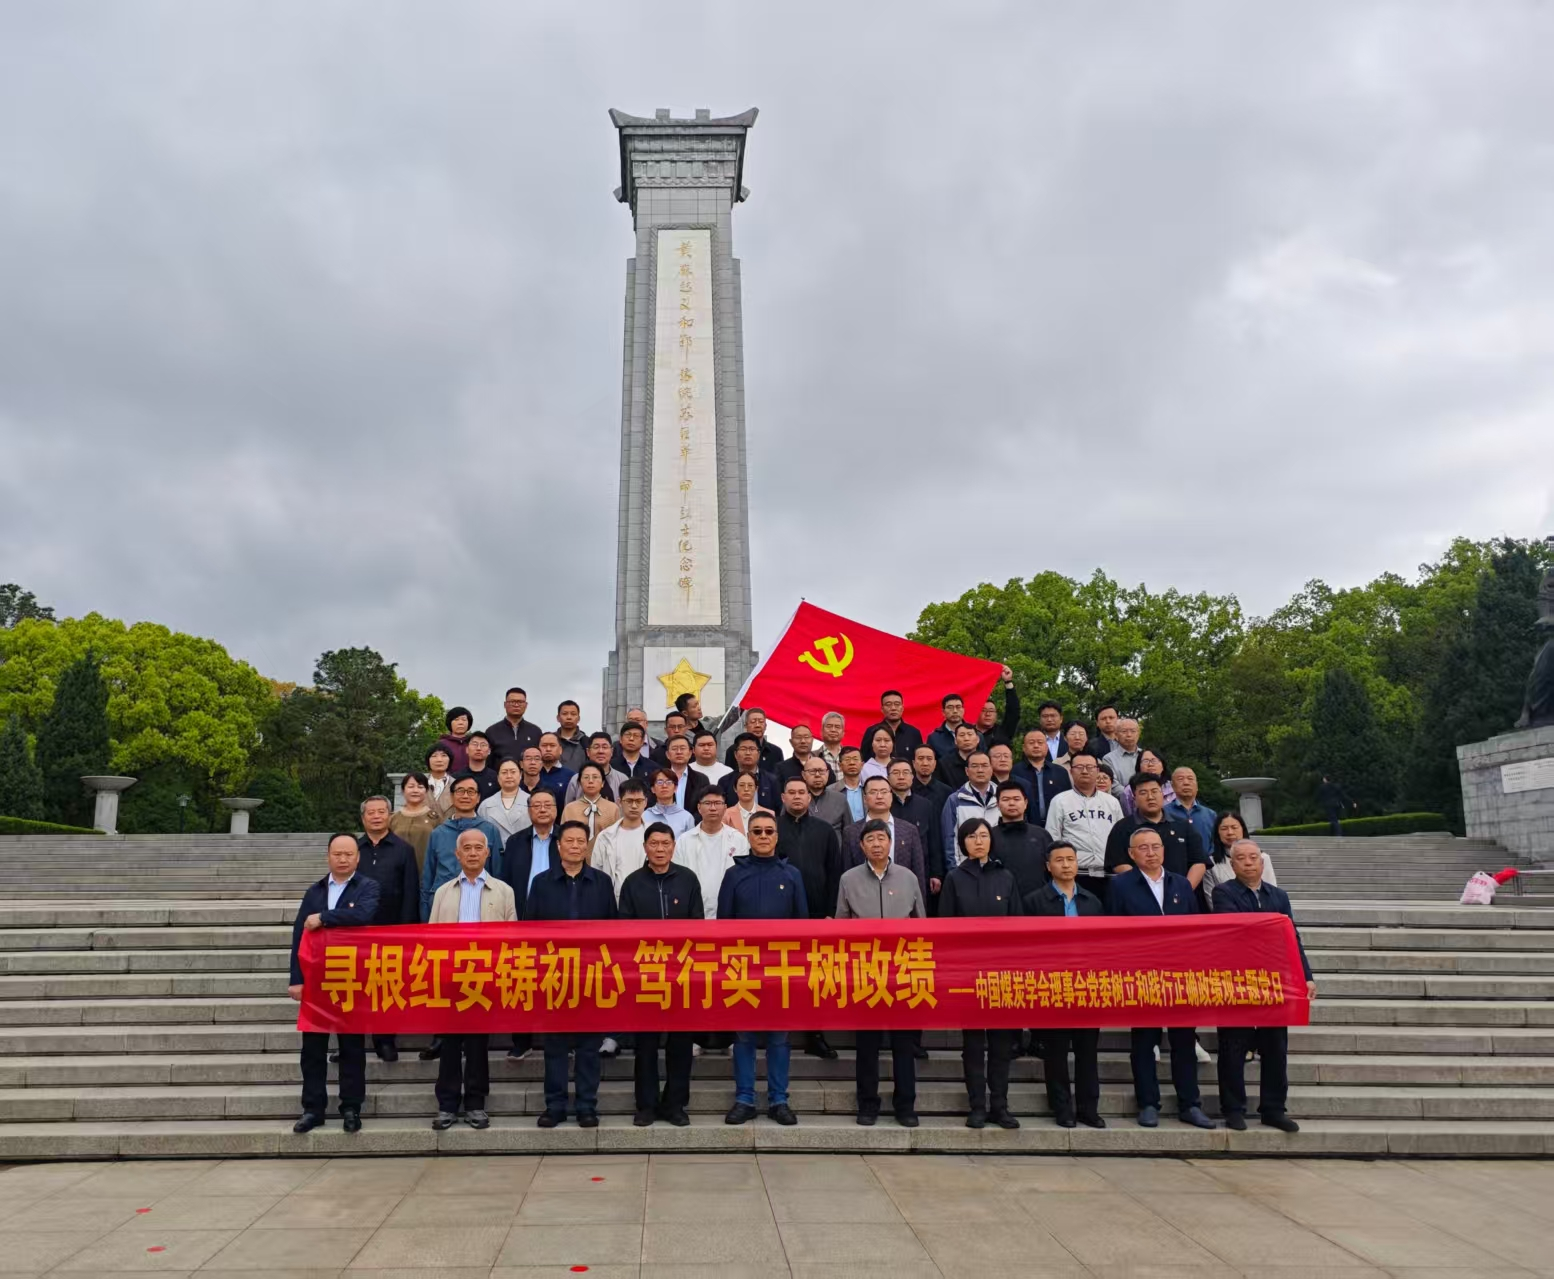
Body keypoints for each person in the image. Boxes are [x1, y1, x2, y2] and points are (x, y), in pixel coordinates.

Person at [1108, 827, 1215, 1130]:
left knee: (1184, 1042)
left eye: (1156, 846)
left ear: (1164, 850)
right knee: (1144, 1042)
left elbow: (1194, 929)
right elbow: (1113, 932)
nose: (1151, 852)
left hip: (1180, 974)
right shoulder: (1120, 886)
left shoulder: (1181, 884)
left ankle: (1190, 1104)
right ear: (1132, 854)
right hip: (1141, 974)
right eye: (1143, 848)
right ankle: (1148, 1103)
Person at [1213, 838, 1312, 1133]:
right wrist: (1268, 928)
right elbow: (1235, 929)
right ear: (1232, 865)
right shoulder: (1223, 892)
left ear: (1262, 861)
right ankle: (1233, 1109)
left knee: (1275, 1047)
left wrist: (1306, 976)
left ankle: (1274, 1109)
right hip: (1236, 979)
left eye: (1253, 857)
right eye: (1241, 858)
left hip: (1273, 980)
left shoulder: (1278, 895)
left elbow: (1291, 937)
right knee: (1233, 1046)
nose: (1248, 862)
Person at [525, 821, 617, 1127]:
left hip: (591, 975)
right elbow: (531, 931)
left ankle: (587, 1105)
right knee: (555, 1046)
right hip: (555, 975)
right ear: (559, 846)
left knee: (589, 1047)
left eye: (581, 841)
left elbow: (613, 930)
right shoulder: (541, 883)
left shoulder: (602, 882)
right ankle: (555, 1106)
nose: (575, 846)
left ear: (587, 846)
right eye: (570, 841)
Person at [719, 811, 808, 1125]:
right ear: (748, 836)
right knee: (744, 1037)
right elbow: (723, 925)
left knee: (778, 1038)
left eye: (769, 831)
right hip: (743, 968)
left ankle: (778, 1099)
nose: (763, 836)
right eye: (757, 831)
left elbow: (802, 925)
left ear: (777, 836)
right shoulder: (734, 875)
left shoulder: (791, 875)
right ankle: (744, 1098)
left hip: (781, 969)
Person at [836, 818, 925, 1127]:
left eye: (881, 838)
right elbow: (841, 926)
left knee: (904, 1045)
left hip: (902, 970)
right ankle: (867, 1104)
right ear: (861, 846)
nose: (876, 844)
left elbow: (921, 924)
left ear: (890, 843)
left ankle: (906, 1106)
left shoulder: (908, 877)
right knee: (867, 1045)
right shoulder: (848, 879)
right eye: (870, 839)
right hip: (866, 971)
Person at [427, 828, 518, 1130]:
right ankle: (447, 1105)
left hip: (485, 976)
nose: (473, 852)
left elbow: (511, 938)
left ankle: (476, 1104)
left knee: (478, 1044)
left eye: (479, 847)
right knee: (450, 1043)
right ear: (457, 854)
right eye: (467, 848)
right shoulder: (443, 891)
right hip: (451, 976)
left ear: (488, 853)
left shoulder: (503, 891)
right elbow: (432, 936)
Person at [289, 833, 380, 1135]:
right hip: (316, 979)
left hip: (351, 977)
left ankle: (351, 1107)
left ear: (358, 857)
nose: (343, 859)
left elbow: (362, 915)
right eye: (337, 854)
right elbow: (299, 935)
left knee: (352, 1047)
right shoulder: (314, 891)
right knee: (312, 1049)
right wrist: (296, 979)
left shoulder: (367, 886)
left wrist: (324, 918)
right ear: (328, 856)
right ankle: (312, 1108)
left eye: (348, 854)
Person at [618, 822, 702, 1125]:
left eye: (665, 844)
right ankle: (646, 1105)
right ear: (645, 847)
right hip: (646, 976)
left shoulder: (688, 879)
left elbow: (698, 926)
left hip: (681, 976)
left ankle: (675, 1104)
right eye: (654, 844)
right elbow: (624, 931)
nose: (660, 849)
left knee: (681, 1045)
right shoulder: (632, 883)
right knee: (646, 1045)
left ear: (673, 847)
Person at [940, 818, 1021, 1129]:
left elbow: (1018, 924)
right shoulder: (954, 878)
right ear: (963, 842)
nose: (978, 841)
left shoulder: (1006, 876)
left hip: (1001, 972)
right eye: (972, 836)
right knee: (973, 1046)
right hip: (968, 974)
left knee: (1001, 1045)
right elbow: (945, 928)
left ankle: (1000, 1105)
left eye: (984, 835)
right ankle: (976, 1106)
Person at [1023, 840, 1105, 1129]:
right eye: (1059, 860)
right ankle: (1062, 1108)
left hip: (1086, 985)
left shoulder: (1092, 902)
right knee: (1056, 1053)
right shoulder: (1034, 902)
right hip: (1052, 984)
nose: (1067, 865)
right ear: (1049, 866)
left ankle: (1088, 1108)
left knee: (1087, 1052)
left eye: (1071, 859)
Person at [775, 775, 844, 1062]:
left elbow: (835, 873)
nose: (796, 797)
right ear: (783, 798)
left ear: (809, 797)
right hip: (780, 916)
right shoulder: (772, 828)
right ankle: (777, 1031)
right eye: (791, 792)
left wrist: (830, 912)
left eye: (801, 792)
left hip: (817, 914)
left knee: (815, 977)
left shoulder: (824, 830)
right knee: (780, 975)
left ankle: (815, 1034)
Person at [354, 796, 420, 1062]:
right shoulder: (353, 849)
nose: (376, 816)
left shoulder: (403, 850)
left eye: (381, 812)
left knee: (386, 986)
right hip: (356, 930)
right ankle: (350, 1041)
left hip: (390, 929)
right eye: (371, 812)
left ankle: (385, 1040)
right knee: (355, 986)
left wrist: (406, 931)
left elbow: (410, 891)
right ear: (363, 818)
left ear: (389, 816)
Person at [419, 775, 508, 919]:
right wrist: (425, 911)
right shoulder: (438, 833)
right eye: (460, 791)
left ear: (478, 798)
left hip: (482, 904)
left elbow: (497, 872)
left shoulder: (490, 831)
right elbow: (428, 876)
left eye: (471, 791)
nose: (465, 796)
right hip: (444, 905)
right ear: (451, 797)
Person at [1105, 773, 1209, 890]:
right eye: (1143, 793)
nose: (1150, 797)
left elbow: (1199, 862)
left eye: (1155, 791)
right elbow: (1118, 863)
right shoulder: (1122, 827)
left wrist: (1184, 890)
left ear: (1162, 794)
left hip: (1180, 894)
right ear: (1134, 798)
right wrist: (1148, 889)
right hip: (1139, 893)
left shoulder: (1183, 825)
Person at [1044, 752, 1122, 903]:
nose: (1085, 771)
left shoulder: (1112, 802)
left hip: (1109, 874)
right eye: (1079, 767)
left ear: (1097, 771)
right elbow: (1053, 838)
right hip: (1076, 875)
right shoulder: (1060, 801)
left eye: (1090, 767)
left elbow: (1120, 838)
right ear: (1071, 771)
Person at [842, 776, 930, 901]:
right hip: (863, 899)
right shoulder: (851, 832)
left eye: (884, 792)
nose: (879, 796)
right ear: (865, 798)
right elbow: (847, 872)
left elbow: (918, 872)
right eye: (873, 792)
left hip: (902, 898)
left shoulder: (909, 830)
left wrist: (920, 906)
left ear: (891, 796)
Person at [674, 787, 748, 917]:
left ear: (725, 808)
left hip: (729, 912)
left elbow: (744, 879)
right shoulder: (684, 840)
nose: (713, 808)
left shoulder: (738, 839)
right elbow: (678, 878)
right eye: (707, 803)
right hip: (693, 912)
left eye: (717, 803)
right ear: (699, 807)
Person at [988, 781, 1051, 902]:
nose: (1011, 803)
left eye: (1016, 799)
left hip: (1038, 903)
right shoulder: (989, 836)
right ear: (997, 804)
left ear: (1025, 803)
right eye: (1005, 799)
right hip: (1001, 902)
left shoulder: (1041, 835)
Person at [888, 758, 943, 894]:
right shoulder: (883, 805)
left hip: (921, 869)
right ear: (887, 777)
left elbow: (934, 841)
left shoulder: (925, 805)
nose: (901, 777)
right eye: (896, 773)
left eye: (906, 772)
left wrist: (936, 873)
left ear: (912, 777)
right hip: (890, 869)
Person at [1203, 810, 1278, 906]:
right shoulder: (1210, 862)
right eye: (1224, 828)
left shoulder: (1262, 857)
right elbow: (1212, 901)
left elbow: (1271, 892)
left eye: (1234, 827)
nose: (1230, 832)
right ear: (1217, 832)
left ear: (1243, 829)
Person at [592, 777, 651, 896]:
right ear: (619, 802)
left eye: (639, 801)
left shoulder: (654, 836)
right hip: (614, 898)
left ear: (645, 802)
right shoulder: (605, 837)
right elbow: (596, 872)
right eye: (629, 801)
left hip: (647, 896)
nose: (634, 806)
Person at [500, 789, 561, 902]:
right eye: (537, 806)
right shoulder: (515, 841)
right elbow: (506, 878)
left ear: (556, 809)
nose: (542, 810)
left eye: (548, 805)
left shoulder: (566, 839)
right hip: (524, 907)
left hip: (559, 906)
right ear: (528, 811)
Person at [940, 750, 1000, 864]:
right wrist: (956, 870)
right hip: (966, 867)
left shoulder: (1002, 798)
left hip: (997, 867)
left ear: (991, 769)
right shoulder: (955, 800)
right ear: (967, 771)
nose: (980, 770)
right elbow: (950, 840)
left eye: (984, 765)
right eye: (975, 766)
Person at [1013, 728, 1071, 825]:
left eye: (1040, 742)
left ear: (1047, 747)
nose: (1036, 746)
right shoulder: (1015, 771)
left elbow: (1068, 800)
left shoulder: (1060, 772)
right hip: (1024, 825)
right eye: (1031, 743)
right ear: (1024, 748)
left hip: (1056, 824)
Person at [390, 771, 442, 875]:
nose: (415, 790)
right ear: (403, 790)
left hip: (426, 873)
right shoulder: (393, 818)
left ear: (426, 791)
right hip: (396, 873)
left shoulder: (435, 818)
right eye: (411, 786)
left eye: (420, 787)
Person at [561, 763, 620, 853]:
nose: (591, 781)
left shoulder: (613, 808)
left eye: (595, 777)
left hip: (605, 856)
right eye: (586, 777)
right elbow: (564, 837)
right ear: (580, 783)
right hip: (576, 855)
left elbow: (617, 838)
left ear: (603, 783)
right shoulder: (570, 809)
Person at [719, 732, 780, 811]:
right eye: (743, 749)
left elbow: (778, 810)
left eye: (752, 749)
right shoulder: (725, 781)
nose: (748, 753)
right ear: (735, 754)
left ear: (758, 754)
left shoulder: (772, 781)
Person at [478, 758, 532, 844]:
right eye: (504, 772)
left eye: (513, 772)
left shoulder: (533, 802)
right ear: (498, 777)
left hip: (525, 850)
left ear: (521, 775)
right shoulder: (486, 805)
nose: (509, 776)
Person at [1165, 766, 1216, 854]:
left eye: (1190, 779)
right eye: (1180, 779)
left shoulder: (1210, 815)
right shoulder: (1163, 813)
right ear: (1172, 786)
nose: (1186, 783)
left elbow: (1216, 843)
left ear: (1197, 786)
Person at [565, 733, 628, 804]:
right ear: (588, 752)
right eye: (596, 747)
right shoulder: (576, 779)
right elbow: (568, 808)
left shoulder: (622, 779)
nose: (600, 751)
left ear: (612, 752)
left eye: (604, 747)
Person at [862, 689, 924, 761]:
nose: (893, 708)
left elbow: (919, 760)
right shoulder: (871, 732)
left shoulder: (913, 733)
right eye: (888, 704)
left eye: (897, 704)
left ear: (902, 708)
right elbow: (864, 759)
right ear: (882, 709)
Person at [486, 687, 541, 765]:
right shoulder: (492, 731)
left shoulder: (535, 731)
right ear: (505, 704)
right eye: (512, 702)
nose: (516, 705)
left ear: (526, 705)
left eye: (520, 702)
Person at [973, 664, 1021, 751]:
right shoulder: (968, 733)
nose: (987, 714)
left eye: (991, 711)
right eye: (983, 710)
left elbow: (1013, 711)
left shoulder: (1003, 731)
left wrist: (1008, 682)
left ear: (996, 715)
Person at [723, 707, 784, 772]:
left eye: (761, 722)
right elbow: (729, 775)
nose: (757, 725)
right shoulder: (733, 750)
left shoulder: (776, 752)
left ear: (765, 726)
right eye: (753, 722)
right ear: (746, 726)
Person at [804, 756, 851, 834]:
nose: (817, 775)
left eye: (821, 771)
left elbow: (849, 831)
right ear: (803, 775)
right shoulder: (796, 798)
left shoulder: (840, 799)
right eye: (812, 771)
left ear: (828, 773)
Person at [644, 767, 696, 837]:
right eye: (660, 782)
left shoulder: (687, 817)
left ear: (675, 788)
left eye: (669, 782)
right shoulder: (644, 816)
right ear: (653, 789)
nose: (664, 786)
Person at [927, 693, 976, 759]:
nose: (955, 711)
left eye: (958, 707)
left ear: (963, 710)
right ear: (943, 712)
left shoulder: (975, 734)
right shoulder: (934, 738)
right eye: (950, 708)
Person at [935, 723, 983, 790]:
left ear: (978, 739)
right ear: (955, 741)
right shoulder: (944, 763)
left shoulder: (986, 760)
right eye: (962, 735)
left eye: (970, 734)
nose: (966, 739)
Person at [829, 745, 868, 825]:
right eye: (847, 760)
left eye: (855, 759)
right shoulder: (830, 791)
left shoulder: (870, 789)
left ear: (862, 765)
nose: (852, 763)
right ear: (840, 766)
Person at [724, 770, 771, 834]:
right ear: (735, 788)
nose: (746, 789)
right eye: (742, 785)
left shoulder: (769, 814)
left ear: (756, 789)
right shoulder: (726, 815)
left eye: (750, 785)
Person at [535, 732, 575, 802]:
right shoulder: (531, 774)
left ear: (560, 750)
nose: (548, 749)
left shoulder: (572, 777)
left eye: (552, 745)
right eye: (544, 745)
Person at [461, 732, 500, 800]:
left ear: (489, 751)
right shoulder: (456, 778)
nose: (478, 748)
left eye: (483, 745)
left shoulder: (497, 778)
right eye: (474, 744)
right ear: (467, 749)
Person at [1105, 717, 1143, 785]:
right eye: (1124, 731)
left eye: (1133, 731)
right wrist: (1131, 792)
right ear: (1116, 735)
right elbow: (1113, 784)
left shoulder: (1146, 755)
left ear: (1138, 734)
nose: (1129, 735)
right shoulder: (1108, 759)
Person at [554, 699, 589, 772]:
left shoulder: (586, 742)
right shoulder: (550, 741)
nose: (569, 717)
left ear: (578, 718)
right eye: (565, 714)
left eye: (573, 714)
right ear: (558, 718)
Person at [436, 706, 473, 774]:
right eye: (456, 719)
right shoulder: (441, 744)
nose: (460, 723)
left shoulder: (473, 743)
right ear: (450, 722)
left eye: (464, 720)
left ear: (469, 723)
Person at [424, 746, 456, 819]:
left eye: (443, 755)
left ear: (450, 760)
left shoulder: (458, 785)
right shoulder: (419, 785)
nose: (439, 760)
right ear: (428, 761)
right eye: (434, 756)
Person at [815, 712, 846, 778]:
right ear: (821, 731)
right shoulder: (812, 756)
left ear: (843, 733)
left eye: (837, 727)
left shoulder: (850, 756)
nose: (833, 730)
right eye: (829, 726)